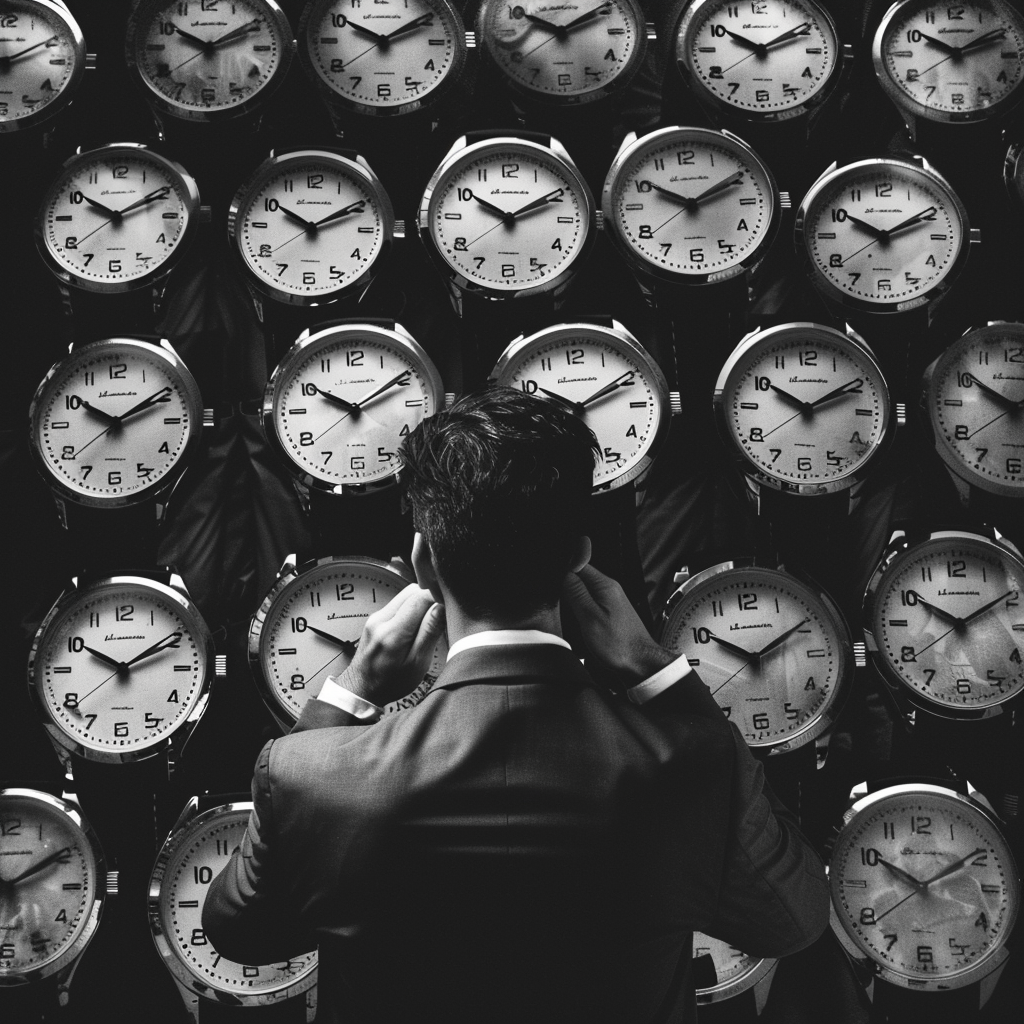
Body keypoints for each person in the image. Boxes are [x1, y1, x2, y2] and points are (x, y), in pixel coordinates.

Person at [203, 388, 829, 1024]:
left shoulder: (312, 775)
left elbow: (241, 933)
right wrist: (655, 671)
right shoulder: (692, 762)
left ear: (424, 560)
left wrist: (351, 689)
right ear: (580, 555)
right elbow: (793, 920)